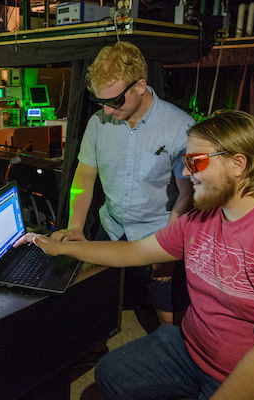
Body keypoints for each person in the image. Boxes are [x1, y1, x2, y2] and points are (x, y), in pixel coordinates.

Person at [16, 110, 254, 400]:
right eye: (186, 161)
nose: (186, 173)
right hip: (191, 351)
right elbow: (135, 250)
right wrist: (61, 246)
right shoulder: (204, 217)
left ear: (238, 164)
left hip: (240, 375)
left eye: (196, 162)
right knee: (109, 373)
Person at [51, 41, 194, 327]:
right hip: (112, 227)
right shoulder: (98, 123)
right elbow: (84, 177)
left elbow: (187, 196)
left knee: (168, 317)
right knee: (92, 301)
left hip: (157, 233)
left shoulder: (181, 128)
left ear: (140, 85)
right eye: (100, 102)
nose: (107, 110)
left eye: (115, 101)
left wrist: (169, 248)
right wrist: (76, 226)